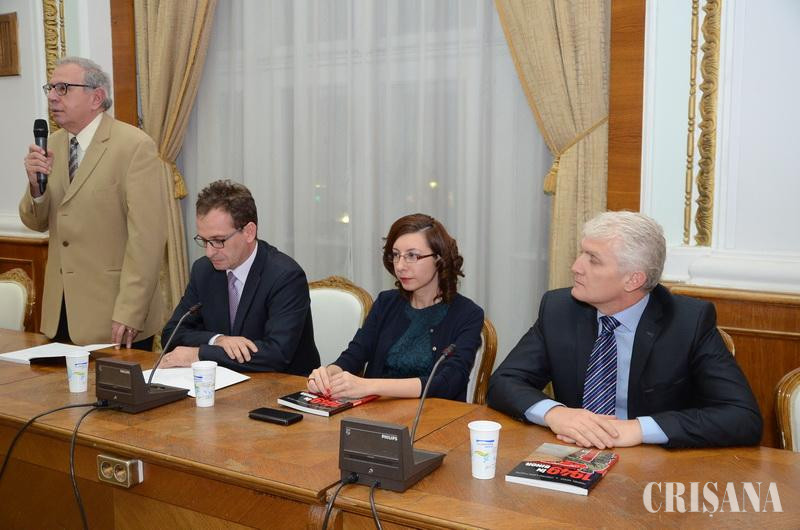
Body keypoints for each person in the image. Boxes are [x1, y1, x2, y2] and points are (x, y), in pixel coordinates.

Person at [487, 211, 762, 449]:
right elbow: (504, 382)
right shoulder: (559, 309)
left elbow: (742, 417)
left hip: (653, 468)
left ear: (633, 280)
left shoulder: (688, 323)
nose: (576, 267)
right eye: (581, 253)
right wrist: (556, 414)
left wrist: (639, 429)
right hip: (572, 453)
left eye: (593, 259)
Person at [20, 56, 166, 349]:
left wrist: (130, 311)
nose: (52, 97)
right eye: (50, 88)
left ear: (96, 97)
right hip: (60, 314)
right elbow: (36, 223)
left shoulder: (134, 146)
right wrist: (36, 187)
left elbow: (147, 240)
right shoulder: (53, 144)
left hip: (115, 316)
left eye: (63, 88)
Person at [307, 214, 484, 401]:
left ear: (439, 259)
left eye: (412, 256)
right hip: (376, 412)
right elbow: (354, 355)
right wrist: (328, 374)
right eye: (396, 255)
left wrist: (369, 386)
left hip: (432, 414)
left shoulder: (467, 314)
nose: (400, 266)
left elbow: (448, 381)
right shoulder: (386, 303)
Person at [160, 180, 319, 374]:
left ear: (249, 232)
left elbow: (276, 354)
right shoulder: (204, 271)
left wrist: (202, 354)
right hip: (223, 383)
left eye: (218, 240)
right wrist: (217, 340)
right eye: (204, 240)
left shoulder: (285, 276)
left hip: (281, 384)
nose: (209, 252)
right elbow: (172, 334)